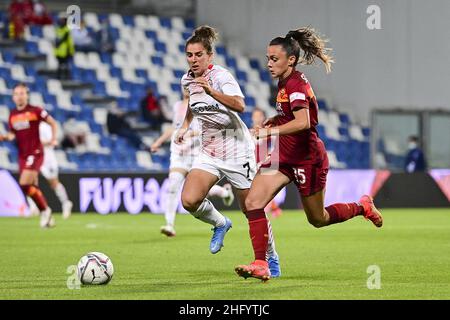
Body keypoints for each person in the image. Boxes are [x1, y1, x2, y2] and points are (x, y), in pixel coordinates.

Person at [234, 27, 383, 281]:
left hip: (307, 158)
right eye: (268, 58)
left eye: (274, 59)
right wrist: (274, 120)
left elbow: (303, 122)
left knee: (318, 218)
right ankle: (262, 263)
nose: (269, 63)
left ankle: (361, 207)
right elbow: (291, 115)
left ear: (290, 60)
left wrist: (269, 133)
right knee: (252, 203)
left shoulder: (295, 84)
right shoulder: (284, 81)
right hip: (284, 156)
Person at [175, 25, 281, 277]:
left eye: (199, 55)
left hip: (236, 150)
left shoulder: (221, 77)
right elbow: (193, 104)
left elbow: (240, 105)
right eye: (189, 55)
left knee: (251, 210)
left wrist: (212, 90)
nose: (193, 60)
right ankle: (220, 223)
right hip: (209, 151)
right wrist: (184, 125)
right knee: (189, 200)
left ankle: (272, 258)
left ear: (209, 56)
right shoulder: (187, 79)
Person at [151, 89, 235, 237]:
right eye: (183, 86)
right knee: (173, 186)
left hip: (197, 153)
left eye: (188, 87)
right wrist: (158, 142)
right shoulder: (178, 106)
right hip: (179, 154)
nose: (185, 90)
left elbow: (209, 129)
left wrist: (190, 133)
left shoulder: (201, 106)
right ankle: (169, 225)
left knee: (200, 191)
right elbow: (174, 127)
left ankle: (224, 192)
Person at [0, 83, 57, 228]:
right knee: (29, 186)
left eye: (22, 93)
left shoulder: (36, 111)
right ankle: (45, 211)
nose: (20, 96)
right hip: (22, 154)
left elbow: (52, 123)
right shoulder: (12, 114)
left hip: (35, 152)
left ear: (27, 95)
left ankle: (44, 210)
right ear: (13, 97)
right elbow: (14, 134)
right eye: (17, 94)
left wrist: (53, 138)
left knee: (24, 183)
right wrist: (5, 137)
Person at [28, 121, 73, 219]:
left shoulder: (45, 127)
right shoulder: (30, 127)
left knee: (53, 183)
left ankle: (66, 203)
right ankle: (33, 206)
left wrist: (37, 141)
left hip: (47, 158)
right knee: (31, 181)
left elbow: (52, 142)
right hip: (35, 157)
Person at [251, 108, 283, 218]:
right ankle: (270, 207)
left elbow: (274, 145)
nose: (257, 118)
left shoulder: (269, 131)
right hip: (253, 165)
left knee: (266, 187)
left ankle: (270, 207)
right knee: (258, 189)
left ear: (263, 117)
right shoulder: (249, 132)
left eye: (259, 116)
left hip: (265, 163)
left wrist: (269, 157)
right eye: (255, 116)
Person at [54, 14, 74, 80]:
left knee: (65, 66)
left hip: (66, 51)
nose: (62, 21)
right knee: (60, 66)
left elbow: (67, 41)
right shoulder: (58, 29)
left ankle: (66, 78)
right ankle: (59, 77)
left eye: (63, 20)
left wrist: (70, 52)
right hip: (59, 51)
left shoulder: (67, 30)